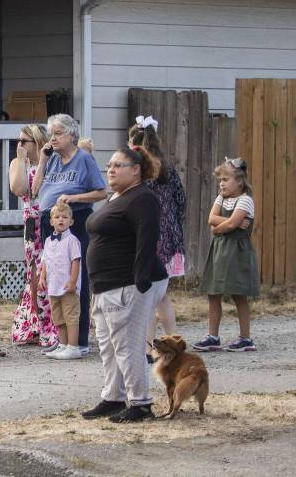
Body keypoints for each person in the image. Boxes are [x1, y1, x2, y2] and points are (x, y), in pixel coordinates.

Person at [81, 145, 169, 424]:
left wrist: (139, 280)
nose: (111, 169)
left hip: (128, 283)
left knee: (127, 345)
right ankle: (114, 397)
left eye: (119, 165)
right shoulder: (119, 197)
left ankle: (141, 403)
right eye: (110, 164)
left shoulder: (142, 198)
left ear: (136, 170)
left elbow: (147, 236)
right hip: (106, 286)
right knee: (108, 345)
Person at [29, 114, 107, 355]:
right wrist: (42, 160)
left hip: (75, 219)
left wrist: (73, 198)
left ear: (72, 135)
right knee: (55, 277)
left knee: (75, 278)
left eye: (58, 133)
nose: (53, 138)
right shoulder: (51, 159)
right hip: (49, 220)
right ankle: (62, 340)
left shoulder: (84, 159)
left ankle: (79, 341)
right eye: (51, 133)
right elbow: (34, 190)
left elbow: (101, 192)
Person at [128, 115, 186, 361]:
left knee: (146, 296)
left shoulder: (138, 172)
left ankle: (148, 348)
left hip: (150, 238)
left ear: (135, 145)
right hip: (171, 240)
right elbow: (181, 202)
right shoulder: (169, 169)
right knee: (161, 296)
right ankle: (175, 343)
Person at [193, 158, 260, 353]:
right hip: (220, 251)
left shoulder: (246, 200)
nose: (222, 183)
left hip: (237, 253)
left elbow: (226, 226)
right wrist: (232, 222)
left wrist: (224, 226)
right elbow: (211, 219)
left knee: (239, 295)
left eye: (226, 179)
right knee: (213, 293)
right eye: (220, 180)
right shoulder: (221, 198)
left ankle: (245, 338)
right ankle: (213, 336)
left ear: (239, 181)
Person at [8, 124, 57, 348]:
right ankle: (37, 323)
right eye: (18, 141)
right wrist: (20, 158)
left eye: (24, 142)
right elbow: (19, 189)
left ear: (37, 142)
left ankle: (54, 324)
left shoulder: (51, 163)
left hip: (51, 221)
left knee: (52, 272)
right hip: (32, 224)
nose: (19, 145)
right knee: (34, 276)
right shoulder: (20, 164)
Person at [39, 200, 82, 360]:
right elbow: (45, 261)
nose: (61, 220)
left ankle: (73, 347)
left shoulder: (72, 241)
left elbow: (76, 261)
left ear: (71, 221)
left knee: (71, 316)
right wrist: (42, 278)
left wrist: (72, 281)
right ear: (51, 221)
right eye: (57, 217)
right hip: (53, 286)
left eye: (64, 217)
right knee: (59, 317)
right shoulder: (49, 241)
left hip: (67, 287)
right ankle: (63, 345)